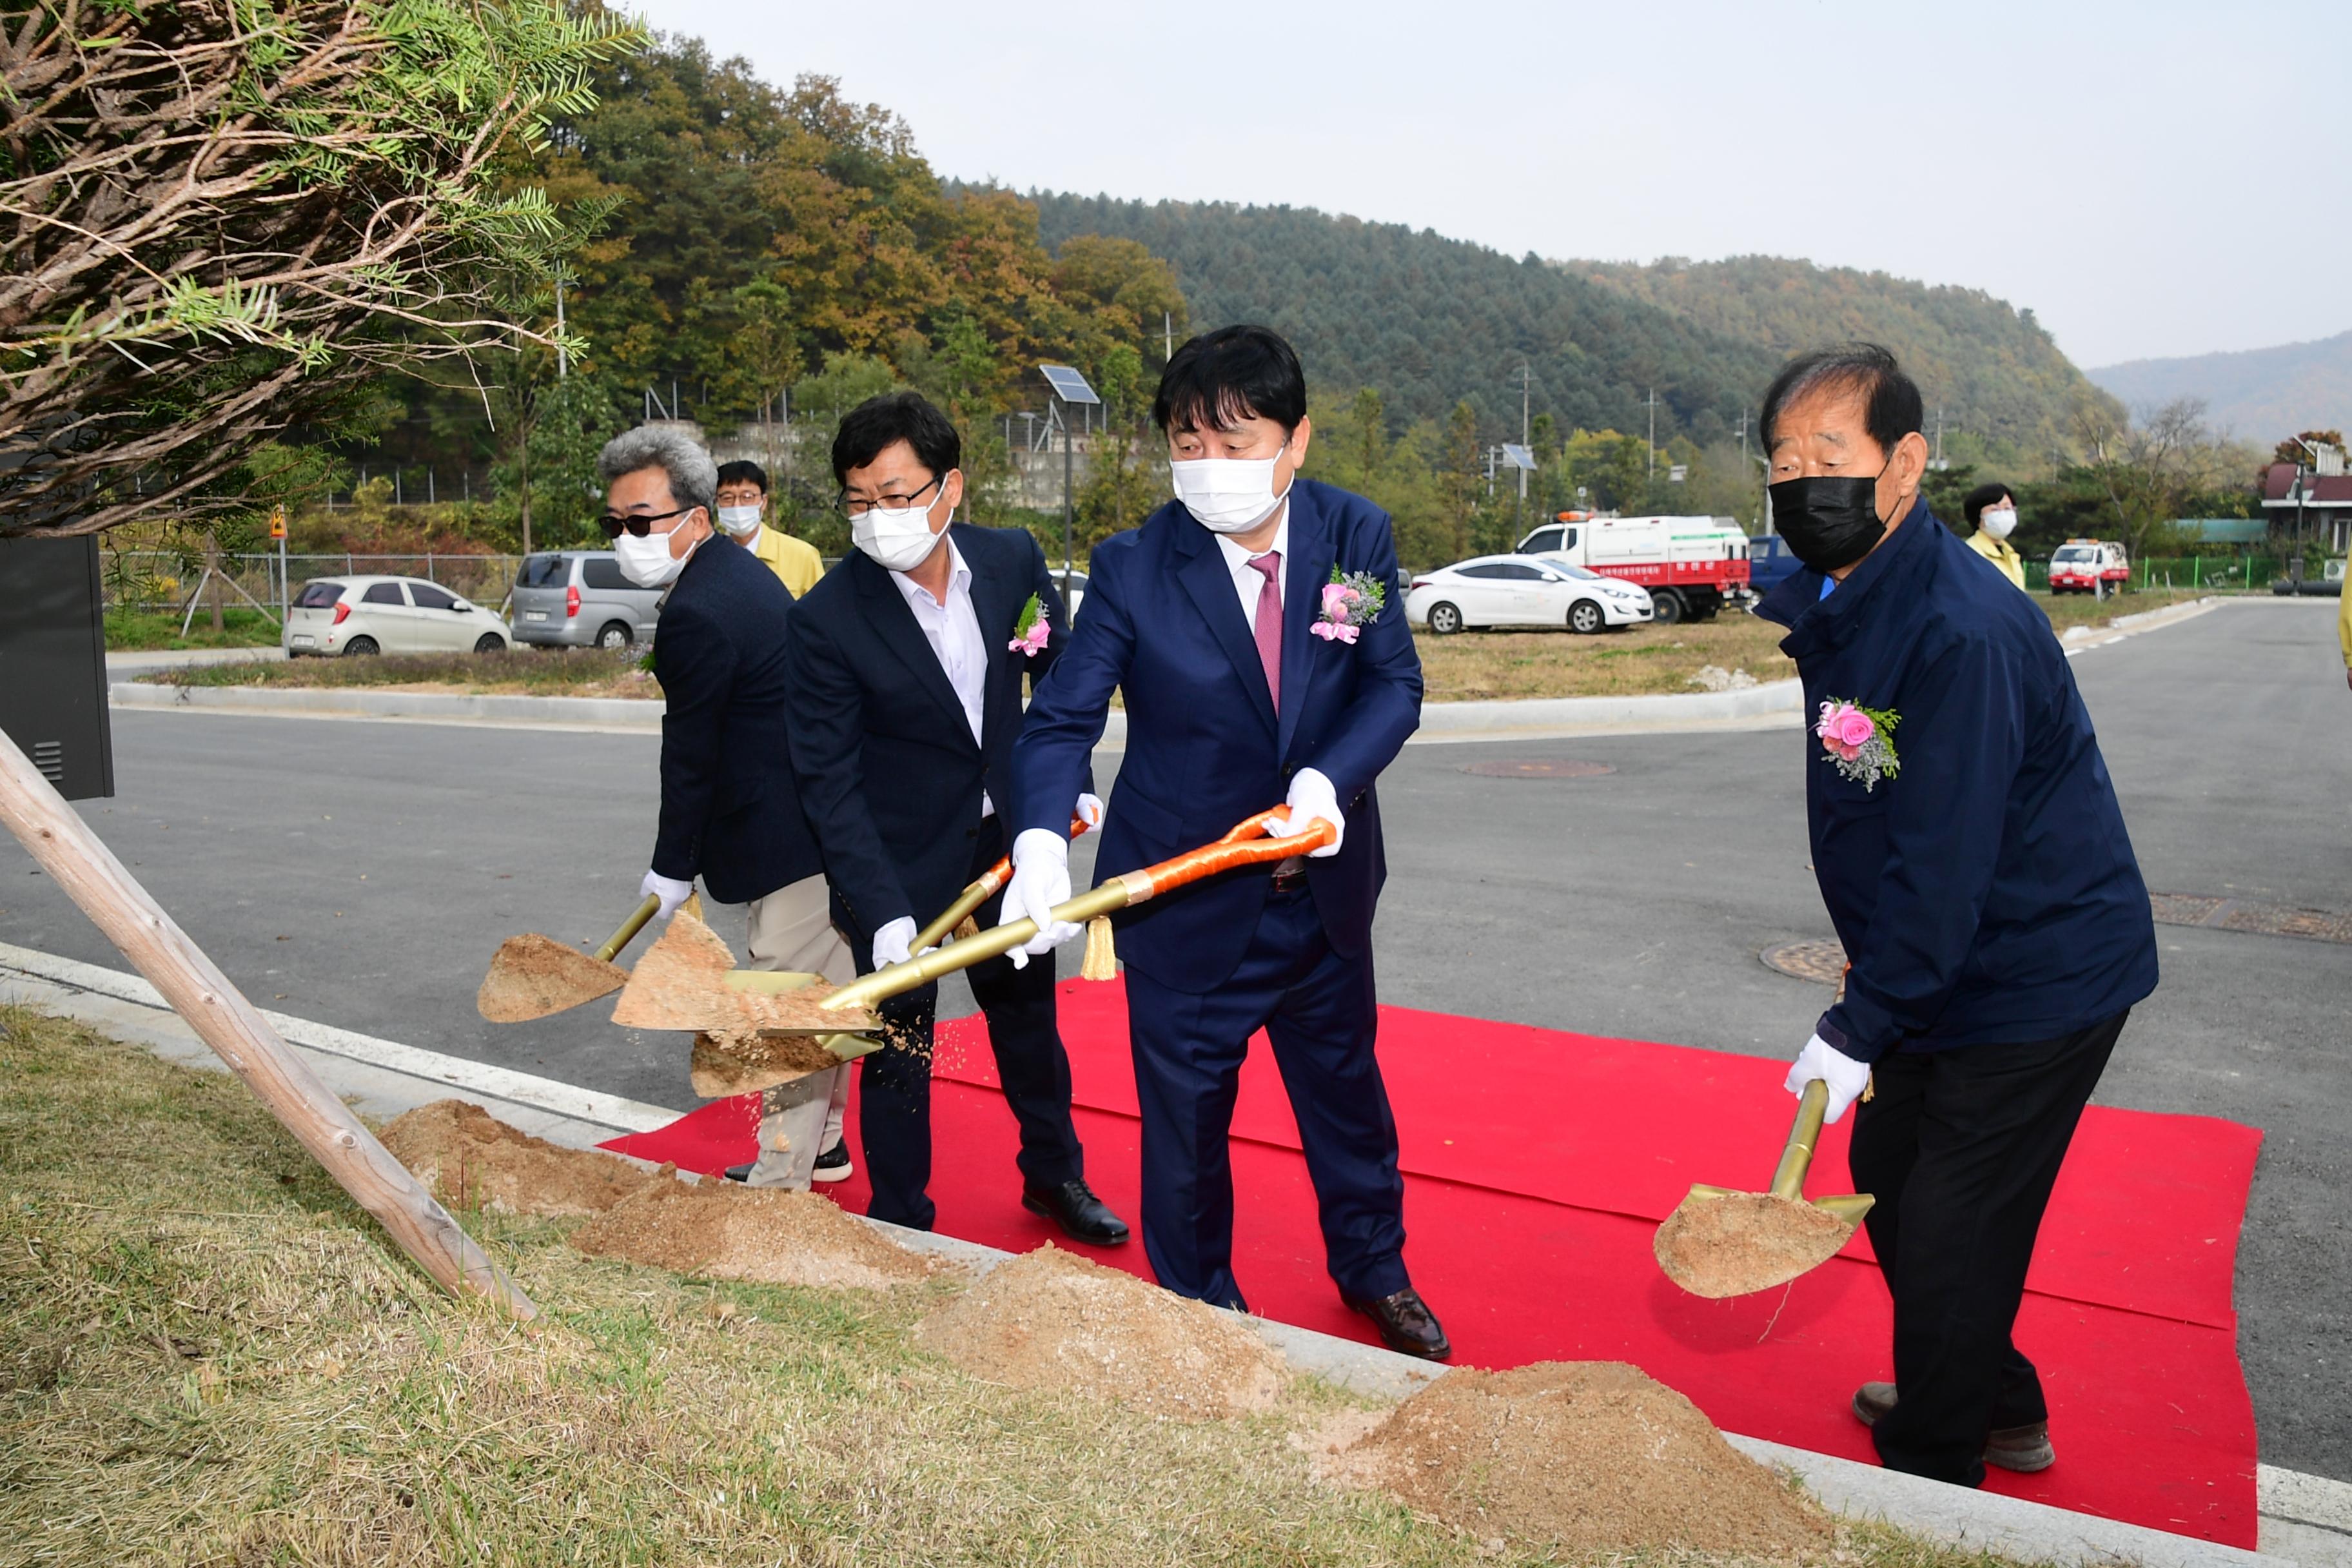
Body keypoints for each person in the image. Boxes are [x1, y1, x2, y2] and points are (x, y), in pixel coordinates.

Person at [1750, 344, 2159, 1487]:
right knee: (1889, 1171)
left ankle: (1933, 1463)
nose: (1801, 481)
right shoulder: (1849, 596)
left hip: (2037, 970)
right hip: (1937, 959)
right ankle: (1985, 1389)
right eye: (1783, 461)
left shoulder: (1960, 629)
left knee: (1948, 1222)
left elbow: (1944, 857)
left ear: (1903, 463)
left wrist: (1856, 1021)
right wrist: (1873, 991)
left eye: (1830, 454)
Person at [1003, 325, 1448, 1360]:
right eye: (1186, 443)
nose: (1209, 468)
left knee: (1347, 1102)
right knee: (1189, 1131)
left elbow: (1394, 684)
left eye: (1236, 443)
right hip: (1187, 899)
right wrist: (1037, 836)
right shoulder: (1131, 566)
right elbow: (1064, 715)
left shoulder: (1355, 536)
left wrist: (1326, 781)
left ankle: (1375, 1269)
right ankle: (1202, 1310)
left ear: (1296, 443)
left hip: (1321, 893)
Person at [785, 391, 1126, 1246]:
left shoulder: (1010, 564)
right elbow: (827, 781)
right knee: (900, 1053)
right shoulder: (827, 618)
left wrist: (1069, 782)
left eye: (897, 496)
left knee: (1029, 1030)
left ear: (951, 489)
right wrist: (883, 908)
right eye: (859, 501)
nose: (877, 518)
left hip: (1005, 844)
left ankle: (1055, 1177)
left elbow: (1055, 684)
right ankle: (902, 1220)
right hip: (895, 861)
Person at [597, 427, 848, 1190]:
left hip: (787, 827)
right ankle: (827, 1144)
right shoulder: (732, 575)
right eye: (615, 524)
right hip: (812, 812)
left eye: (642, 520)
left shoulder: (700, 609)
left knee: (784, 999)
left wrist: (672, 866)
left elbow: (692, 751)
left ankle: (779, 1179)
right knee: (822, 992)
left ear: (695, 518)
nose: (627, 538)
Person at [714, 460, 825, 599]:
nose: (737, 505)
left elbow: (822, 614)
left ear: (763, 502)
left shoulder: (804, 556)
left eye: (747, 497)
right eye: (727, 498)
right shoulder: (707, 560)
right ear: (717, 502)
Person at [1958, 482, 2027, 590]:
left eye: (2007, 508)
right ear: (1978, 516)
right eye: (1995, 510)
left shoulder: (2011, 554)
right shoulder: (1970, 554)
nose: (2003, 514)